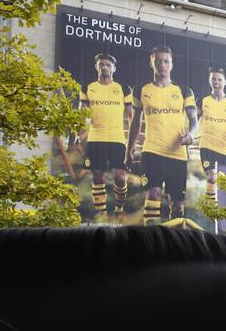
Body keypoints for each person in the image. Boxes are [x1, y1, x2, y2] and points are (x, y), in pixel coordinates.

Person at [128, 45, 196, 225]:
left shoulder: (184, 91)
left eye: (166, 61)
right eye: (158, 61)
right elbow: (135, 122)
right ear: (151, 63)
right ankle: (149, 238)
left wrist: (191, 134)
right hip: (152, 151)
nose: (162, 65)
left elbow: (194, 121)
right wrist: (129, 149)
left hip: (177, 154)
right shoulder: (140, 89)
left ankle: (174, 239)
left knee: (177, 206)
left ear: (171, 64)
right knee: (153, 195)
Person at [74, 53, 133, 220]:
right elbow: (82, 113)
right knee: (97, 176)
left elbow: (131, 116)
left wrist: (132, 141)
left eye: (108, 65)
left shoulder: (123, 88)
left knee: (120, 177)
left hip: (117, 138)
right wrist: (78, 135)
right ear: (96, 67)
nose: (104, 67)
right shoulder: (87, 87)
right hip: (95, 138)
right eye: (101, 64)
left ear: (114, 68)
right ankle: (101, 213)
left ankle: (119, 207)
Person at [198, 67, 226, 231]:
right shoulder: (203, 100)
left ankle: (225, 223)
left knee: (225, 186)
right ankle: (211, 217)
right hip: (207, 146)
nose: (216, 82)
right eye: (213, 79)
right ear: (210, 81)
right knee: (211, 178)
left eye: (219, 79)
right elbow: (193, 120)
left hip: (224, 150)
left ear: (225, 82)